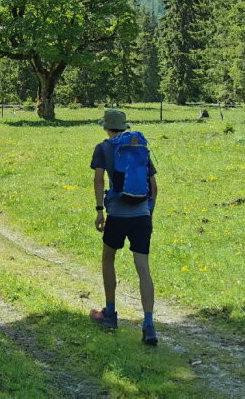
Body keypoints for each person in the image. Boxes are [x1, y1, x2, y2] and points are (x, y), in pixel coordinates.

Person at [89, 107, 158, 345]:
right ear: (124, 127)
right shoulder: (140, 148)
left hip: (117, 214)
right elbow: (153, 186)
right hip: (141, 215)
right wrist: (148, 213)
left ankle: (110, 313)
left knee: (108, 258)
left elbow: (99, 179)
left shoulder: (103, 148)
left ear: (106, 127)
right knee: (143, 268)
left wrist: (100, 210)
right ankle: (148, 324)